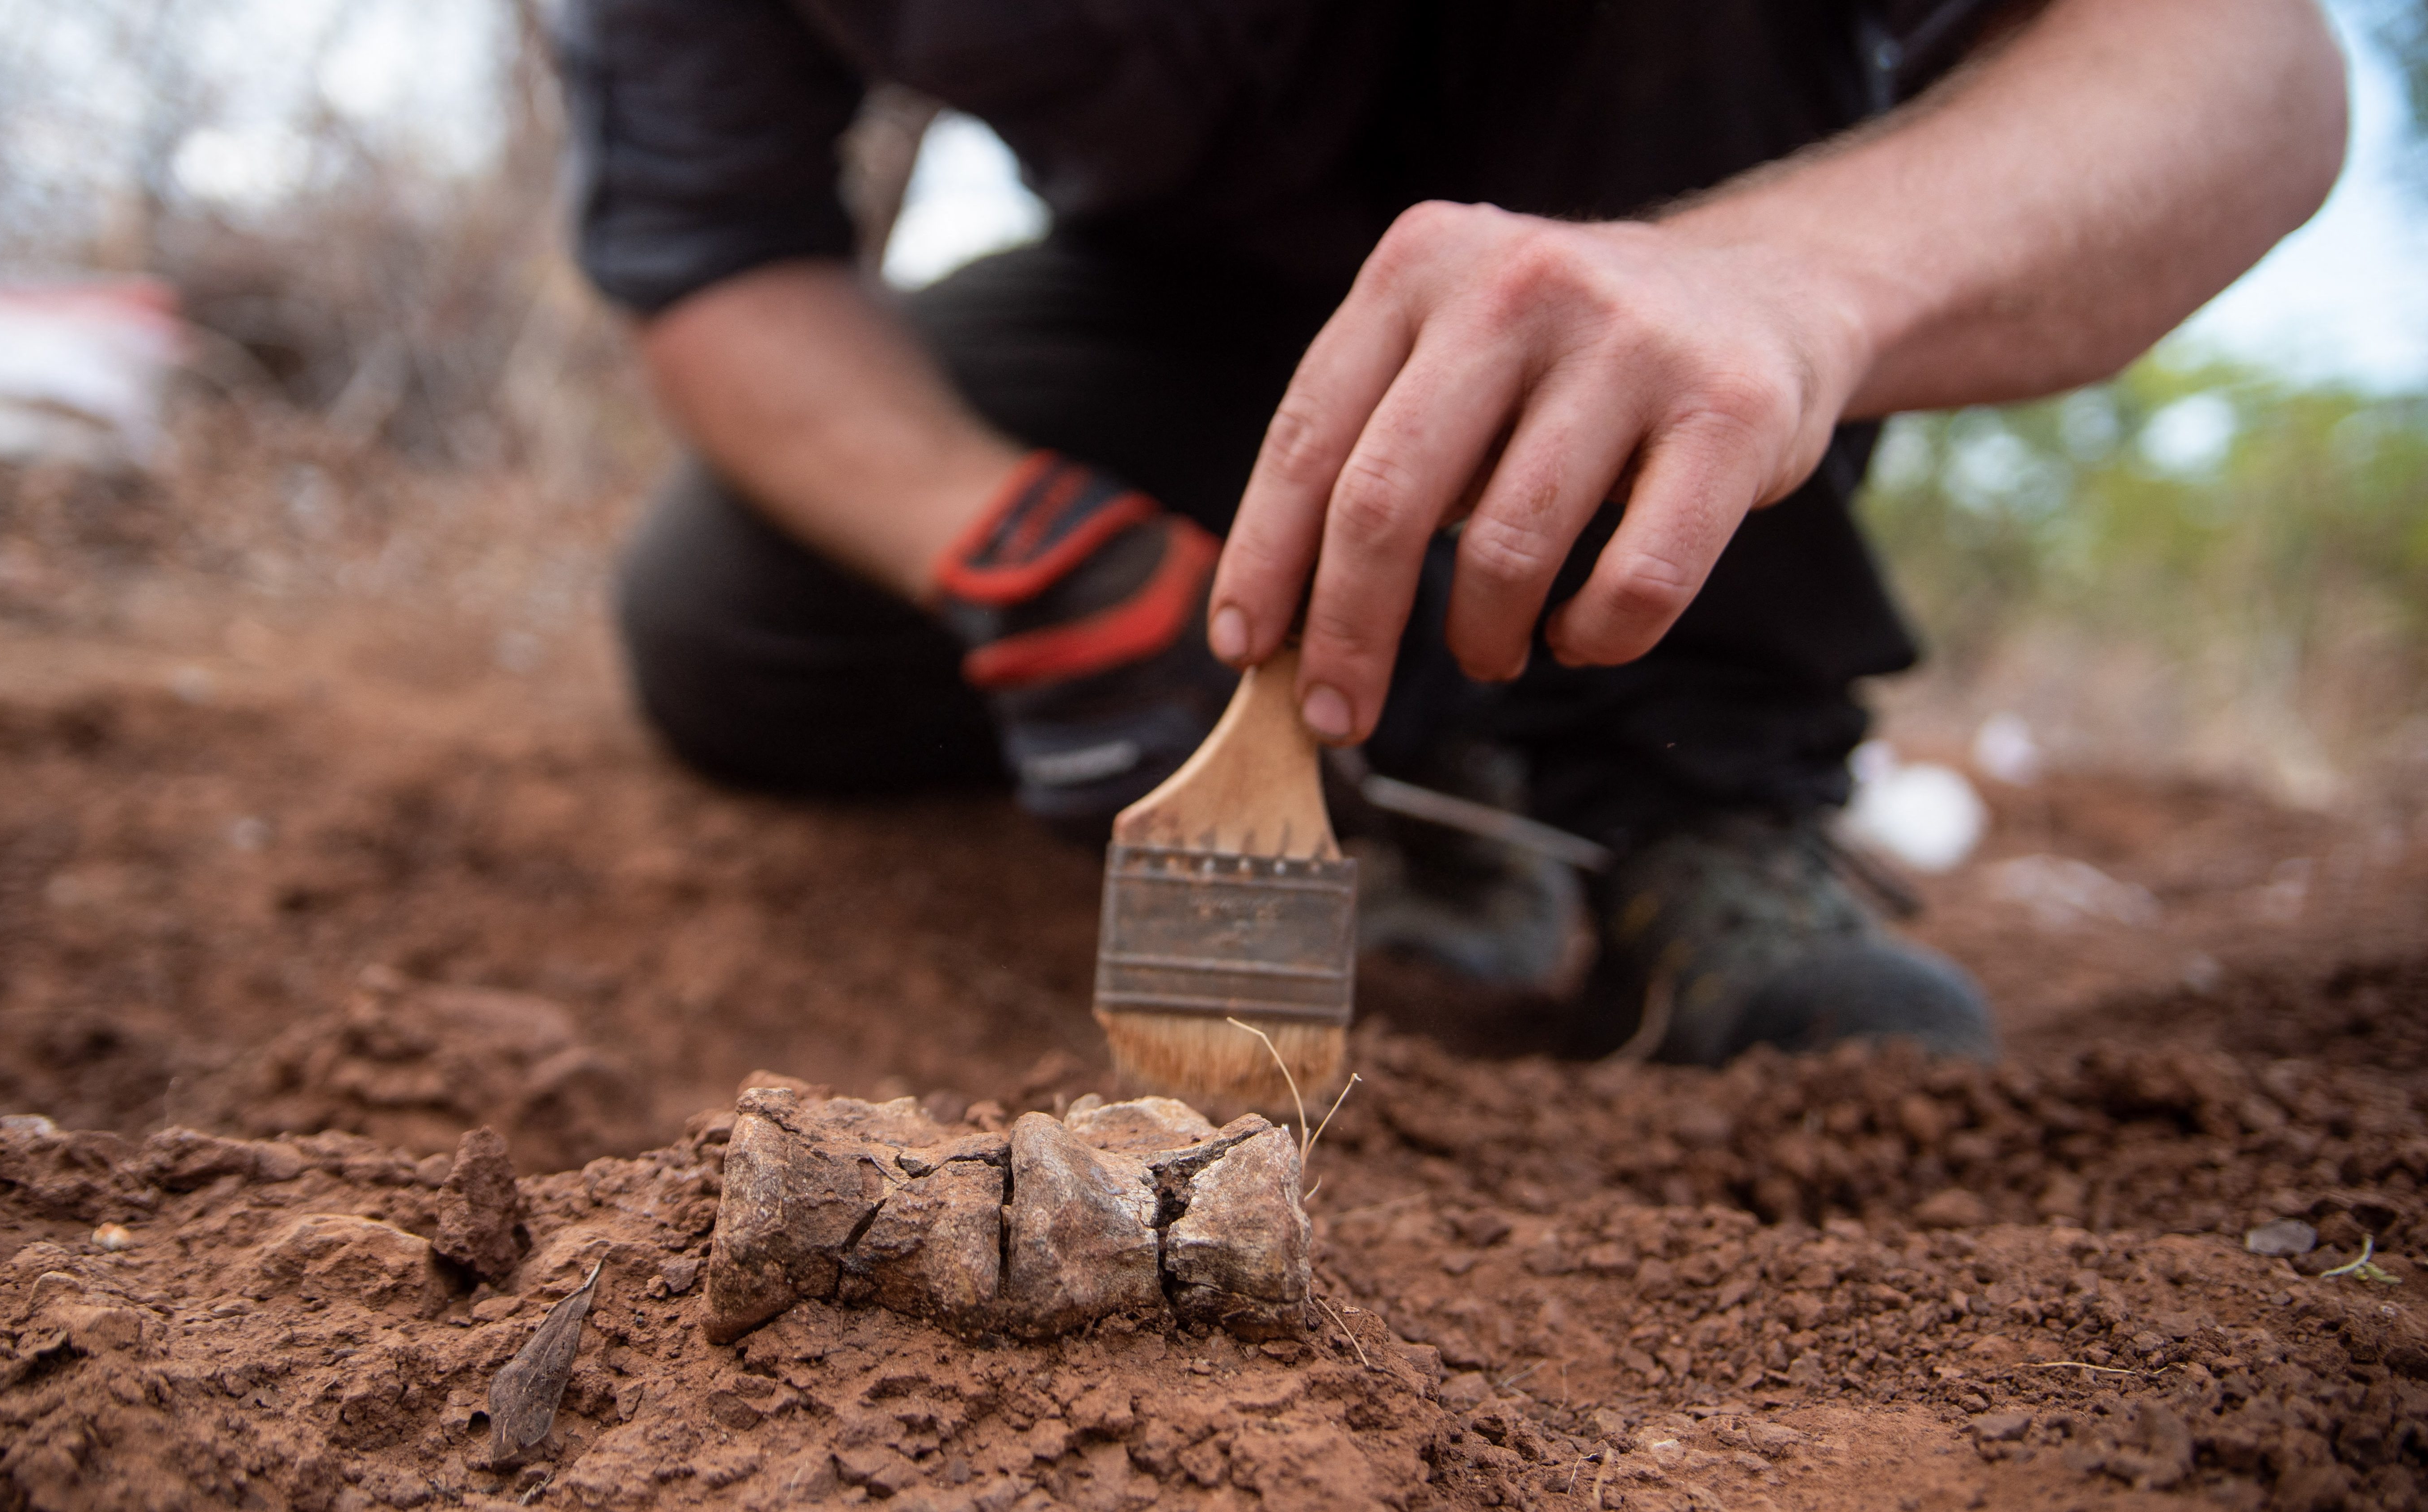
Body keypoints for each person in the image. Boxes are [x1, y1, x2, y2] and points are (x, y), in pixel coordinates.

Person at [557, 0, 2346, 1064]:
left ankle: (1683, 793)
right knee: (733, 625)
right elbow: (719, 254)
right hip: (1196, 300)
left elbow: (2247, 74)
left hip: (1690, 215)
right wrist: (1014, 543)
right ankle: (1403, 789)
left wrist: (1786, 286)